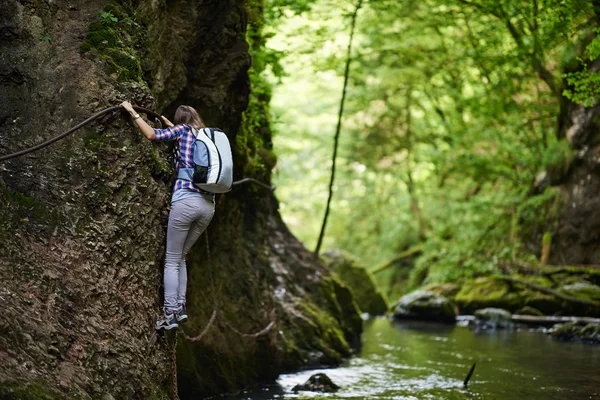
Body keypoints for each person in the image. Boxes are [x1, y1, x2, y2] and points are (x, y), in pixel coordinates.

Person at [121, 101, 215, 331]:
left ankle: (170, 313)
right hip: (208, 206)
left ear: (180, 121)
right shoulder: (207, 137)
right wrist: (172, 125)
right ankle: (180, 307)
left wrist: (132, 112)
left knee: (172, 259)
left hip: (185, 202)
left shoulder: (181, 132)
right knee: (181, 257)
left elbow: (152, 135)